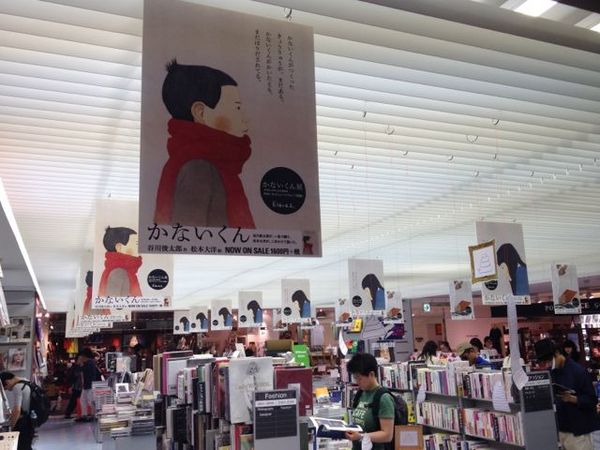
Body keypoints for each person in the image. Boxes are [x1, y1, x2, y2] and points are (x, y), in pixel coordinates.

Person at [155, 60, 255, 228]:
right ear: (200, 112)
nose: (245, 118)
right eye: (237, 108)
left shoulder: (202, 162)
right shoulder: (198, 168)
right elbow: (190, 239)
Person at [534, 338, 600, 450]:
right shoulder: (551, 372)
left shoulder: (578, 371)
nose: (548, 364)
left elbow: (592, 400)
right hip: (561, 429)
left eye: (549, 360)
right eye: (544, 362)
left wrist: (572, 399)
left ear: (557, 353)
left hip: (579, 431)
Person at [345, 353, 394, 450]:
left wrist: (361, 436)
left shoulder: (383, 398)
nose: (357, 382)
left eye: (359, 378)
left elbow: (387, 435)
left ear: (371, 374)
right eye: (355, 378)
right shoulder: (360, 393)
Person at [98, 227, 143, 297]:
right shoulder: (118, 273)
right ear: (119, 247)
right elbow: (114, 303)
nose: (140, 248)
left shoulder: (122, 271)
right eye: (136, 244)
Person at [1, 372, 34, 450]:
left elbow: (17, 410)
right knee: (27, 445)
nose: (8, 390)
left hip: (23, 423)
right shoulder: (27, 382)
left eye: (5, 388)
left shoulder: (17, 387)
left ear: (7, 382)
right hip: (30, 420)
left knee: (21, 446)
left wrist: (11, 427)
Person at [77, 348, 100, 422]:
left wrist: (81, 364)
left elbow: (85, 372)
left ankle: (94, 415)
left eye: (81, 356)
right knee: (83, 400)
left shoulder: (90, 363)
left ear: (84, 356)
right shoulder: (89, 362)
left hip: (90, 385)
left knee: (90, 400)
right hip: (87, 385)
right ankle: (85, 415)